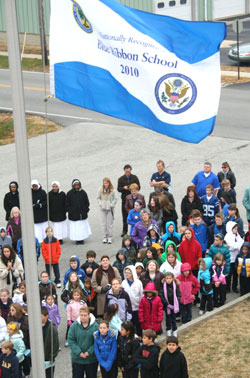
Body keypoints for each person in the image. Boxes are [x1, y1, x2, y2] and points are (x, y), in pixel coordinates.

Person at [68, 307, 99, 378]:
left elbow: (97, 342)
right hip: (77, 359)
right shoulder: (74, 326)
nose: (83, 317)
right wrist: (79, 352)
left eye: (85, 315)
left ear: (89, 315)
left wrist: (89, 352)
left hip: (91, 360)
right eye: (81, 315)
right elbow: (71, 340)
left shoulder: (95, 327)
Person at [117, 165, 141, 237]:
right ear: (124, 171)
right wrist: (123, 188)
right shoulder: (121, 179)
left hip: (135, 200)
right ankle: (124, 230)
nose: (127, 172)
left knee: (137, 215)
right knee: (125, 216)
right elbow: (118, 189)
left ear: (131, 170)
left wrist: (132, 188)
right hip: (125, 200)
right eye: (126, 171)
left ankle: (137, 228)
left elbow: (139, 187)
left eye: (129, 171)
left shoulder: (134, 178)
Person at [66, 179, 91, 245]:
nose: (76, 186)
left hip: (82, 214)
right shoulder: (69, 193)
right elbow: (67, 204)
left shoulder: (83, 192)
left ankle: (82, 239)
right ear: (73, 186)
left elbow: (87, 202)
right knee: (76, 228)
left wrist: (85, 210)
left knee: (82, 227)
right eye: (75, 185)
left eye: (78, 185)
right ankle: (77, 239)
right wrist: (71, 211)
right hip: (73, 215)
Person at [122, 265, 143, 336]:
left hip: (137, 308)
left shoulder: (138, 282)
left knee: (138, 325)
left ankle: (140, 338)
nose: (127, 274)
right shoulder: (123, 283)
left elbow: (141, 294)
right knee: (130, 326)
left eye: (129, 273)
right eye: (125, 272)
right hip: (128, 308)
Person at [224, 221, 244, 293]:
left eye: (236, 229)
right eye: (234, 229)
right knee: (229, 274)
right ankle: (227, 287)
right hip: (230, 258)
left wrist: (237, 245)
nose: (236, 230)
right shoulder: (227, 237)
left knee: (236, 273)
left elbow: (241, 242)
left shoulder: (237, 235)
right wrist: (238, 245)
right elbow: (230, 247)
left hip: (236, 257)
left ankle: (234, 287)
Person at [97, 177, 118, 244]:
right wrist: (101, 204)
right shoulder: (100, 189)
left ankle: (110, 237)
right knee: (103, 224)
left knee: (109, 224)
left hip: (110, 209)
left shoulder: (113, 190)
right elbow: (98, 198)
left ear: (109, 183)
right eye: (104, 183)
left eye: (107, 183)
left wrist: (111, 204)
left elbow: (116, 199)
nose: (105, 184)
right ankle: (104, 237)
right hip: (103, 209)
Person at [41, 306, 59, 378]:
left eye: (41, 316)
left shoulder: (51, 328)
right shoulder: (36, 326)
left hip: (48, 358)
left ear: (46, 316)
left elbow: (55, 344)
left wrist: (52, 357)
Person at [160, 273, 180, 337]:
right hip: (167, 306)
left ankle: (174, 329)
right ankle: (168, 329)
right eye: (167, 278)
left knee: (174, 318)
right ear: (165, 279)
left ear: (173, 279)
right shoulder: (163, 286)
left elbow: (178, 294)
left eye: (170, 278)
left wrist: (176, 302)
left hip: (174, 305)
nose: (168, 280)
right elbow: (161, 295)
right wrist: (166, 304)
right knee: (168, 319)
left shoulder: (175, 285)